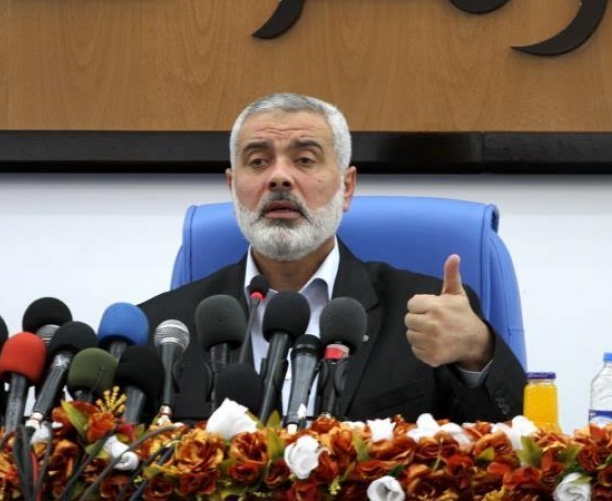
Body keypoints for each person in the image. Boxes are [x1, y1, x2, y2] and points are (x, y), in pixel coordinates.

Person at [140, 93, 526, 423]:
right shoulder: (161, 331)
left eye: (305, 160)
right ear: (232, 187)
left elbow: (521, 447)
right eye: (258, 161)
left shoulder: (424, 314)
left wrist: (477, 353)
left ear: (347, 187)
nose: (279, 177)